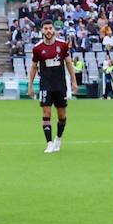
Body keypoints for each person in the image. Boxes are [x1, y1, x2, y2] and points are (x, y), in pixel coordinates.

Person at [28, 19, 75, 153]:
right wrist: (30, 85)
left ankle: (58, 139)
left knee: (62, 116)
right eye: (46, 28)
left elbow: (69, 63)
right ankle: (49, 143)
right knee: (46, 114)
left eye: (50, 28)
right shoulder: (37, 48)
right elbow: (33, 67)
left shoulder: (63, 45)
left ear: (53, 30)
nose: (48, 31)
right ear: (42, 31)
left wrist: (73, 80)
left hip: (60, 85)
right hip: (45, 85)